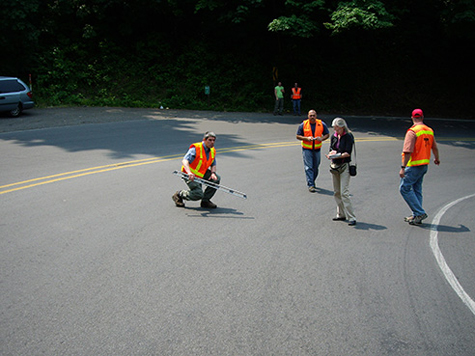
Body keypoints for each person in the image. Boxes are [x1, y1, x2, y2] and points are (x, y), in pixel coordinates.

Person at [399, 109, 440, 225]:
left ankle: (419, 212)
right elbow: (434, 147)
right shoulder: (429, 130)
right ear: (422, 117)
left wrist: (403, 167)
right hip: (424, 165)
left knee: (404, 188)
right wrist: (436, 158)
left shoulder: (412, 131)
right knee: (417, 189)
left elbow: (407, 151)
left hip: (413, 165)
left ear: (412, 118)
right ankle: (417, 215)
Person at [172, 131, 221, 209]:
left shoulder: (212, 150)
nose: (212, 142)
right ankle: (179, 194)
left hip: (201, 173)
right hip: (189, 174)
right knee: (198, 194)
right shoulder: (196, 148)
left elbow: (213, 164)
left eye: (213, 140)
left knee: (216, 179)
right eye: (210, 140)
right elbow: (185, 161)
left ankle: (205, 201)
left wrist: (213, 173)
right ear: (204, 140)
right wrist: (189, 173)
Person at [325, 117, 356, 226]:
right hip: (335, 166)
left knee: (344, 193)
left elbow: (348, 152)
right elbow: (331, 148)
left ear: (343, 127)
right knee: (337, 192)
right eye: (334, 129)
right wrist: (331, 154)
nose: (336, 131)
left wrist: (337, 155)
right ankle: (341, 214)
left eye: (337, 129)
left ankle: (351, 217)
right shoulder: (334, 136)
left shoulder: (348, 136)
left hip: (344, 166)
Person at [296, 110, 330, 192]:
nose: (312, 117)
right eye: (310, 115)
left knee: (316, 167)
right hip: (307, 149)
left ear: (316, 116)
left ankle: (312, 180)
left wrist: (321, 138)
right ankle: (310, 184)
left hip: (317, 149)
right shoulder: (303, 124)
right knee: (309, 167)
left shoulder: (321, 124)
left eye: (313, 115)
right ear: (308, 116)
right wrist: (306, 138)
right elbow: (298, 136)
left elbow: (327, 134)